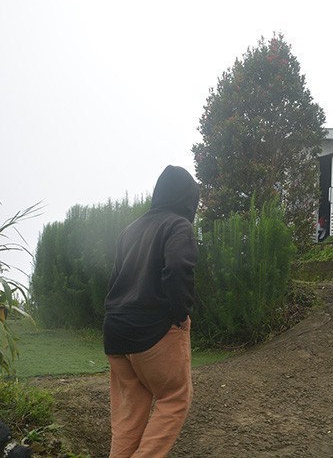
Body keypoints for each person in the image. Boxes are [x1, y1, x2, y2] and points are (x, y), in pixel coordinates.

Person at [103, 165, 200, 458]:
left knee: (128, 418)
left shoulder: (129, 231)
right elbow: (179, 268)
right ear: (187, 199)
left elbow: (117, 280)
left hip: (116, 335)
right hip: (153, 332)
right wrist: (181, 314)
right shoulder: (178, 226)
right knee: (174, 399)